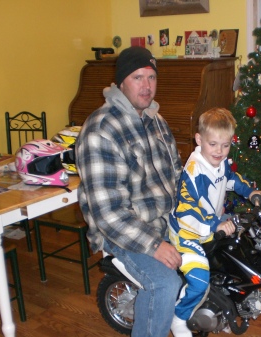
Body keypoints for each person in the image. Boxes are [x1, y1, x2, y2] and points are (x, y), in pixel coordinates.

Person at [75, 46, 183, 337]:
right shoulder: (101, 130)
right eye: (138, 77)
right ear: (121, 82)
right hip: (123, 233)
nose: (147, 86)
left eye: (151, 77)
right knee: (165, 283)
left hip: (165, 219)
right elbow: (108, 214)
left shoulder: (156, 121)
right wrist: (155, 245)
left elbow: (177, 172)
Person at [168, 108, 261, 337]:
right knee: (200, 280)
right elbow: (189, 210)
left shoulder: (219, 161)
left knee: (231, 262)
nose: (219, 151)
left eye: (226, 145)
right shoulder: (193, 172)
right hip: (187, 231)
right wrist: (215, 225)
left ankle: (223, 309)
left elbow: (230, 179)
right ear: (199, 140)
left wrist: (249, 192)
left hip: (210, 225)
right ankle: (178, 317)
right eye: (213, 144)